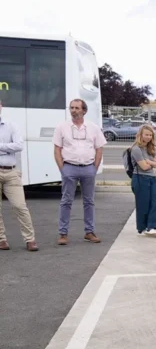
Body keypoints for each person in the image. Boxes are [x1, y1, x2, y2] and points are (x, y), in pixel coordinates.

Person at [53, 98, 105, 246]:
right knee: (66, 201)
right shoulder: (62, 127)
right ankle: (63, 233)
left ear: (84, 110)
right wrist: (62, 168)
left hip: (88, 167)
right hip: (69, 167)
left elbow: (99, 148)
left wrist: (94, 168)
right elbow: (57, 149)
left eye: (77, 108)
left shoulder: (93, 128)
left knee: (89, 201)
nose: (74, 110)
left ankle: (89, 232)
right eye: (72, 108)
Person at [0, 98, 38, 251]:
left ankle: (30, 239)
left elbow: (19, 146)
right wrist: (7, 148)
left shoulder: (11, 126)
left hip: (11, 171)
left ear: (1, 107)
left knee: (20, 206)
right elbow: (13, 146)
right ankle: (1, 239)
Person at [129, 124, 156, 237]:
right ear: (141, 135)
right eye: (146, 135)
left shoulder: (151, 148)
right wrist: (151, 163)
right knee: (143, 204)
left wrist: (150, 162)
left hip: (151, 178)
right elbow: (144, 166)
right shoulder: (136, 149)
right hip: (140, 178)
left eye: (150, 135)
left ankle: (151, 226)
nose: (148, 137)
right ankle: (142, 227)